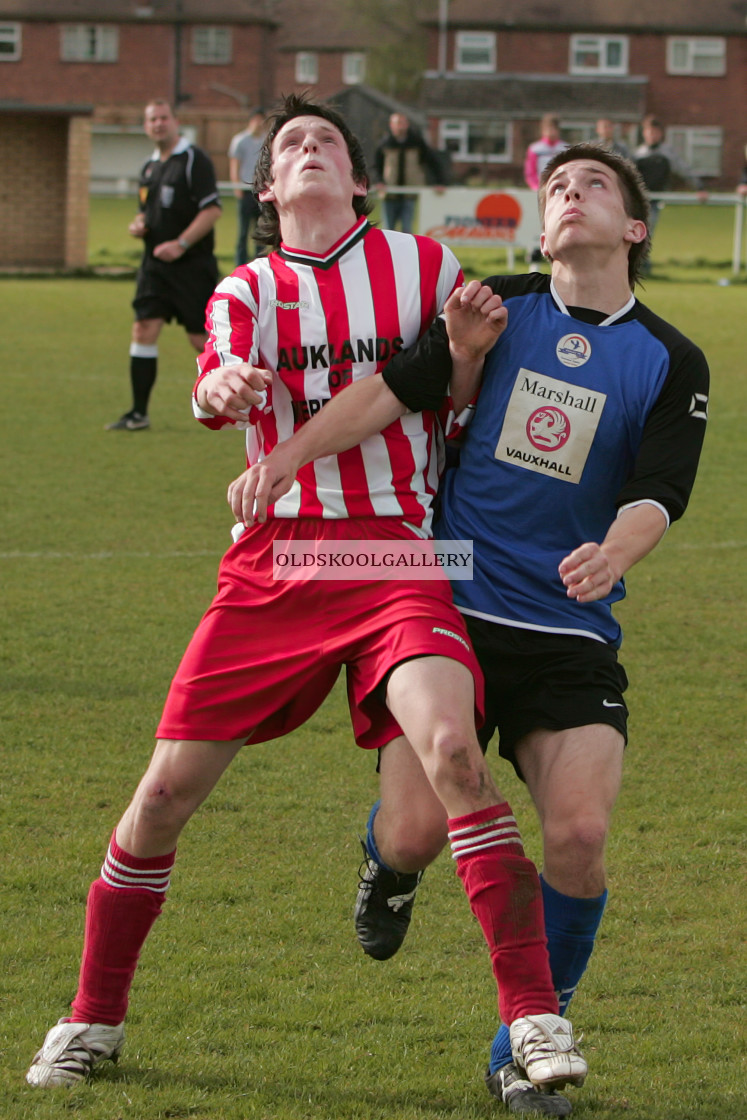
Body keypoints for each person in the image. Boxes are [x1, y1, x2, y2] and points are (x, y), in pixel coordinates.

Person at [26, 94, 586, 1099]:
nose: (311, 150)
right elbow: (216, 375)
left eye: (328, 141)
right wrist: (225, 387)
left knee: (455, 753)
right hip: (274, 565)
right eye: (292, 145)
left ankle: (535, 1021)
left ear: (361, 179)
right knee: (160, 796)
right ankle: (91, 1016)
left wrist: (459, 355)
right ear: (268, 186)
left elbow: (460, 392)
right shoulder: (249, 286)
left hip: (396, 559)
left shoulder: (423, 268)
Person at [228, 142, 710, 1115]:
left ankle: (520, 1048)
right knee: (414, 834)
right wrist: (285, 459)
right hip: (443, 597)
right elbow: (390, 395)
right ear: (543, 225)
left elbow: (663, 488)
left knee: (577, 834)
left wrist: (618, 550)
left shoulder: (669, 357)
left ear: (635, 226)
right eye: (558, 187)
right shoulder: (493, 306)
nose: (571, 194)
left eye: (596, 186)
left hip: (568, 629)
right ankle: (386, 861)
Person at [106, 99, 222, 432]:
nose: (158, 124)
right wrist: (138, 225)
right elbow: (147, 211)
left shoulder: (193, 160)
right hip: (154, 268)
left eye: (163, 118)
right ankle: (138, 413)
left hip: (191, 267)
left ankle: (240, 408)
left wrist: (181, 243)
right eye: (152, 119)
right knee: (143, 329)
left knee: (202, 340)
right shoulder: (149, 167)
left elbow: (212, 210)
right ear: (146, 126)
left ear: (175, 122)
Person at [633, 115, 708, 267]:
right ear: (644, 133)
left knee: (647, 230)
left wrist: (699, 187)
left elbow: (684, 169)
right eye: (649, 132)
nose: (652, 135)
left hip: (655, 199)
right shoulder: (638, 154)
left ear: (660, 134)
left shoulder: (667, 154)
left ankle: (643, 265)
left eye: (655, 132)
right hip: (638, 199)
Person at [373, 111, 445, 233]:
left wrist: (439, 182)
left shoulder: (417, 142)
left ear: (407, 125)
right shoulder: (384, 144)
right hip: (389, 193)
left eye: (402, 123)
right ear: (391, 125)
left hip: (409, 193)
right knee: (388, 230)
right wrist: (379, 181)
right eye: (397, 123)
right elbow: (375, 166)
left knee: (407, 229)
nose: (400, 126)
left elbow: (433, 162)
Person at [524, 114, 567, 269]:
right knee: (536, 226)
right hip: (540, 193)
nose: (551, 132)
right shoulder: (535, 149)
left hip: (558, 193)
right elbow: (530, 172)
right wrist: (538, 188)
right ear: (543, 130)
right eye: (548, 128)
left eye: (554, 129)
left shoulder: (564, 148)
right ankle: (534, 260)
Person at [228, 108, 265, 266]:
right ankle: (240, 263)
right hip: (244, 190)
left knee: (260, 230)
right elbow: (235, 164)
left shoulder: (266, 141)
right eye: (256, 119)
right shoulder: (240, 140)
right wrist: (236, 185)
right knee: (243, 231)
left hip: (261, 190)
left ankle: (259, 263)